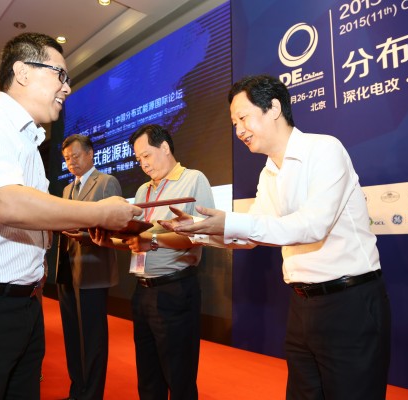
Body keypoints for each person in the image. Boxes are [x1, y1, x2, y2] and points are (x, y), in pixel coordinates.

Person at [0, 32, 141, 400]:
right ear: (22, 72)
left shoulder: (28, 144)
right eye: (60, 75)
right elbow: (6, 205)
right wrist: (101, 211)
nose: (67, 87)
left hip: (20, 306)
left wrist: (91, 224)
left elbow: (35, 217)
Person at [159, 74, 391, 400]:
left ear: (274, 108)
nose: (239, 131)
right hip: (302, 306)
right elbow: (252, 234)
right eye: (234, 123)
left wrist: (229, 223)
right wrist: (200, 230)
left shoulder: (324, 149)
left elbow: (312, 226)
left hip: (349, 303)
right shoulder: (268, 172)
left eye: (243, 118)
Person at [90, 124, 215, 400]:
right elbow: (138, 241)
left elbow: (202, 236)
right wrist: (108, 241)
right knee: (148, 378)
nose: (143, 164)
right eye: (138, 159)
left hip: (175, 291)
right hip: (142, 292)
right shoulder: (143, 190)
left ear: (165, 147)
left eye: (146, 155)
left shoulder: (194, 179)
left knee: (179, 379)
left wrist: (154, 240)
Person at [56, 134, 122, 400]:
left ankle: (92, 395)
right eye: (66, 159)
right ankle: (77, 391)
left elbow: (117, 226)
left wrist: (84, 235)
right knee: (72, 336)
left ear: (90, 153)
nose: (71, 162)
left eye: (75, 156)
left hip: (93, 270)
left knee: (93, 340)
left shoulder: (106, 182)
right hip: (67, 270)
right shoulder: (66, 189)